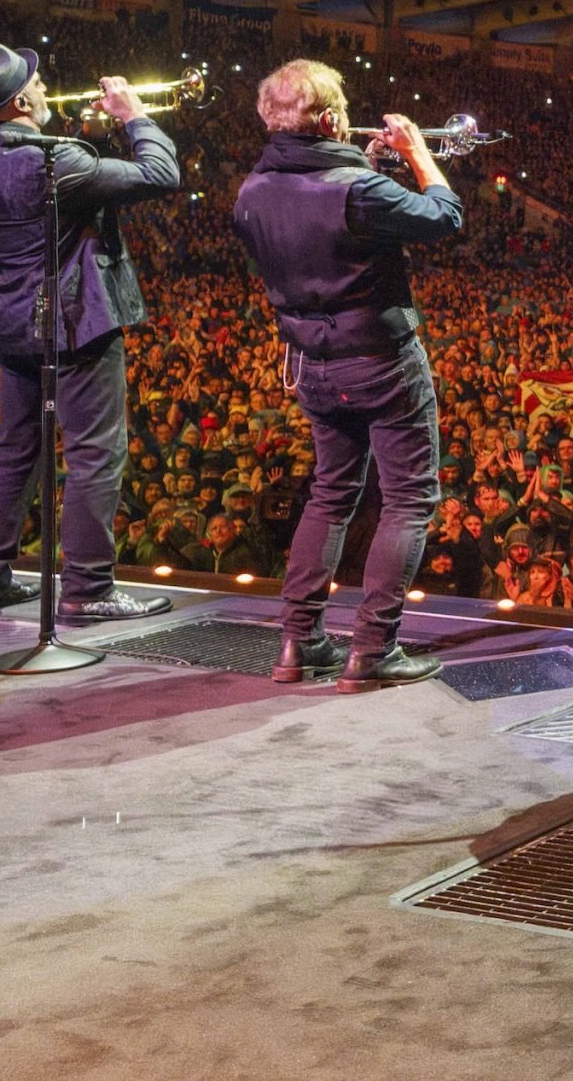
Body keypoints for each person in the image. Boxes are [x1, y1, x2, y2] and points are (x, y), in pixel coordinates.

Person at [233, 61, 461, 691]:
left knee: (332, 495)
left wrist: (360, 166)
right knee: (408, 500)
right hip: (379, 358)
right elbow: (445, 216)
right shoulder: (355, 189)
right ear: (331, 118)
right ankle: (372, 649)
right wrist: (417, 154)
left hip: (308, 360)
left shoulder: (250, 190)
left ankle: (298, 643)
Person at [0, 43, 177, 621]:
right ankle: (89, 589)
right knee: (95, 453)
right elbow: (160, 173)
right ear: (21, 100)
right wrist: (134, 116)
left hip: (11, 320)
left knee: (15, 453)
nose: (49, 93)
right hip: (74, 322)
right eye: (41, 87)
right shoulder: (53, 161)